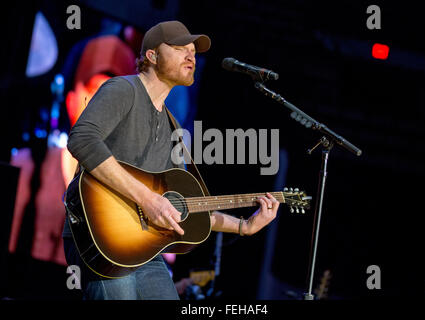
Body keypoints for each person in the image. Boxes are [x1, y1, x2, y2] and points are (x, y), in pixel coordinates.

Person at [62, 20, 279, 300]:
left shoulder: (173, 127)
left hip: (144, 248)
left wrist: (244, 226)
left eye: (193, 51)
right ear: (151, 56)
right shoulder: (123, 89)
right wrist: (148, 199)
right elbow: (81, 139)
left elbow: (184, 207)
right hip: (99, 237)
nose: (191, 56)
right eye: (180, 48)